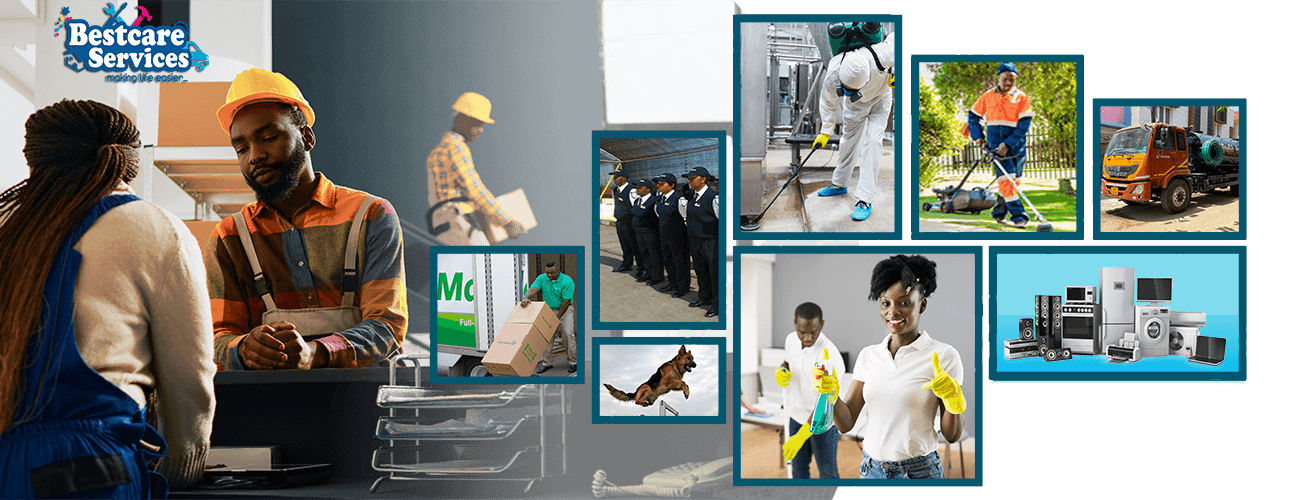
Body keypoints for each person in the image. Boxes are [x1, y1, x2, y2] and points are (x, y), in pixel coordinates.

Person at [0, 100, 216, 496]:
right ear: (128, 164)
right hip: (89, 470)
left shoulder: (7, 223)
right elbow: (190, 379)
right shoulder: (151, 225)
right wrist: (182, 469)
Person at [209, 68, 408, 371]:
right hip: (267, 407)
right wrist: (242, 349)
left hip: (363, 403)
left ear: (306, 137)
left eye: (268, 137)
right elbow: (214, 338)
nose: (255, 156)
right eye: (242, 148)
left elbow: (387, 326)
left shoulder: (370, 215)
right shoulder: (229, 236)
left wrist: (316, 352)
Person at [815, 255, 964, 479]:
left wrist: (953, 400)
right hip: (871, 470)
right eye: (886, 303)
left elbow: (952, 435)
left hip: (920, 472)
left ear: (921, 305)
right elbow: (846, 423)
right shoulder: (868, 356)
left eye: (904, 303)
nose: (892, 312)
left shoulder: (944, 356)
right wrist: (831, 395)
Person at [811, 25, 895, 221]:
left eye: (852, 89)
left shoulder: (883, 54)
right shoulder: (834, 71)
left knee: (872, 143)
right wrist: (825, 131)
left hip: (880, 100)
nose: (847, 91)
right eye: (845, 88)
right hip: (855, 106)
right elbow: (828, 102)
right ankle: (839, 184)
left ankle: (865, 199)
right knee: (848, 140)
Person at [426, 92, 526, 244]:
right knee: (481, 265)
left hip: (441, 225)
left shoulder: (437, 152)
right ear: (464, 120)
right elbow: (474, 189)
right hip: (457, 218)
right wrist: (506, 221)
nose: (481, 130)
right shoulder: (456, 147)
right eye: (478, 124)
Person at [776, 302, 846, 479]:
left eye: (813, 332)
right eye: (802, 332)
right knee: (798, 471)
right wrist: (782, 369)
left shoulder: (829, 356)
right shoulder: (791, 339)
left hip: (823, 424)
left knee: (827, 473)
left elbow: (825, 403)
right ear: (795, 324)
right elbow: (788, 361)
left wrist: (801, 436)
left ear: (821, 325)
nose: (807, 338)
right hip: (796, 416)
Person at [966, 62, 1033, 228]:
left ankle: (998, 213)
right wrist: (979, 137)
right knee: (1006, 181)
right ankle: (1019, 217)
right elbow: (973, 116)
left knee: (1012, 183)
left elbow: (1024, 126)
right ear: (999, 78)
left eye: (1012, 80)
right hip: (996, 149)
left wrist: (1008, 144)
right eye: (1005, 79)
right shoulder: (988, 96)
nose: (1008, 83)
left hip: (1017, 149)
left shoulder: (1022, 98)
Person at [522, 262, 577, 374]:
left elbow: (566, 302)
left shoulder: (567, 281)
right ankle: (547, 363)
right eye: (547, 273)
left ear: (558, 271)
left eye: (552, 273)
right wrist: (526, 297)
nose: (549, 275)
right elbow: (533, 289)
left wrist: (557, 318)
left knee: (567, 333)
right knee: (546, 336)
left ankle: (573, 362)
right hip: (548, 310)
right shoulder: (542, 278)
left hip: (565, 310)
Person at [683, 166, 719, 318]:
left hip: (710, 241)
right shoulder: (693, 197)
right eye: (689, 179)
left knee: (714, 273)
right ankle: (704, 298)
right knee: (701, 271)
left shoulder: (714, 197)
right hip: (695, 240)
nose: (690, 181)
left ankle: (717, 305)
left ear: (703, 179)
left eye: (693, 178)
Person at [652, 173, 690, 298]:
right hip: (664, 236)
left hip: (678, 237)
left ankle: (683, 286)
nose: (659, 186)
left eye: (662, 184)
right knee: (668, 260)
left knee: (680, 262)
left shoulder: (679, 199)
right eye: (658, 184)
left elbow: (686, 217)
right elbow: (659, 215)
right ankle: (672, 283)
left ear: (672, 185)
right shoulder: (660, 200)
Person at [630, 178, 665, 286]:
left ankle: (657, 276)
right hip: (639, 232)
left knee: (654, 255)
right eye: (637, 187)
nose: (637, 189)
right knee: (644, 254)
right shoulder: (637, 201)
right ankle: (648, 273)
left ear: (648, 189)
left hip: (650, 232)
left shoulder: (654, 201)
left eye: (640, 187)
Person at [608, 169, 640, 274]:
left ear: (624, 178)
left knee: (634, 244)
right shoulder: (615, 191)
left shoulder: (632, 190)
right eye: (614, 176)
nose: (614, 179)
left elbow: (635, 206)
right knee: (624, 244)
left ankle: (641, 267)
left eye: (617, 177)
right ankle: (627, 264)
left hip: (629, 222)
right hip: (619, 221)